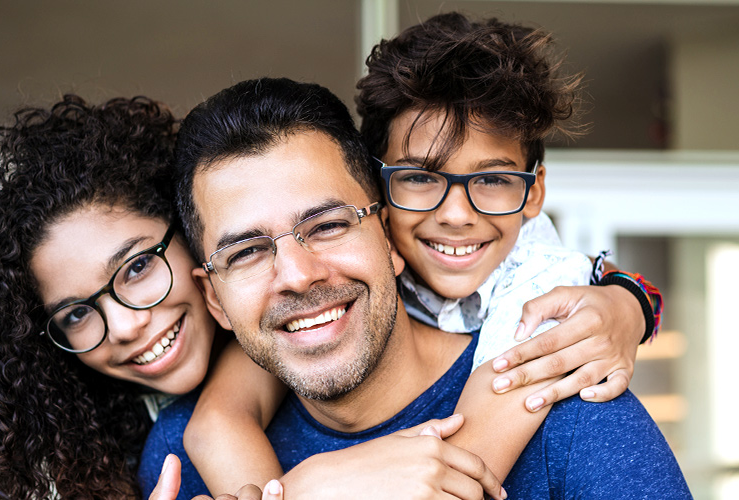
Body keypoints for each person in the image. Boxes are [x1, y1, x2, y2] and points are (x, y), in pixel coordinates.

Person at [139, 77, 690, 498]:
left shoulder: (571, 409)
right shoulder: (180, 458)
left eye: (328, 225)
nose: (298, 274)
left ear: (389, 234)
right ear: (215, 299)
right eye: (247, 252)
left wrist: (630, 300)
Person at [0, 95, 220, 499]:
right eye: (77, 314)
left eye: (136, 268)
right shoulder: (120, 466)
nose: (123, 326)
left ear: (189, 228)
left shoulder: (316, 363)